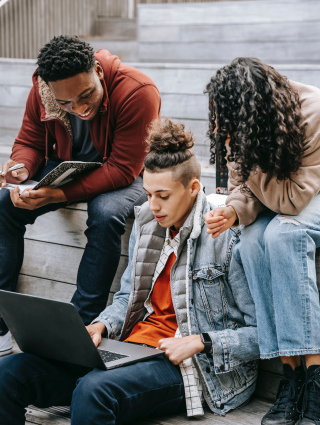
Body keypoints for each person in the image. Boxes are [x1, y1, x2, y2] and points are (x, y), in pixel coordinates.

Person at [0, 119, 259, 425]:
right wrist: (100, 327)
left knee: (93, 391)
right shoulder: (148, 221)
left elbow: (263, 332)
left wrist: (200, 341)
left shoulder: (227, 235)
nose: (154, 206)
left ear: (192, 188)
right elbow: (127, 297)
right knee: (9, 373)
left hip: (194, 366)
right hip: (129, 349)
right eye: (148, 194)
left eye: (163, 196)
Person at [0, 35, 161, 357]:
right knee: (4, 204)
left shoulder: (137, 90)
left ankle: (80, 325)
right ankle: (2, 326)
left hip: (125, 172)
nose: (80, 108)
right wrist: (20, 169)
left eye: (86, 95)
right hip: (68, 165)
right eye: (66, 104)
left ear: (98, 72)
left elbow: (123, 167)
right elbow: (29, 142)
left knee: (105, 213)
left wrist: (57, 194)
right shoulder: (44, 91)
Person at [204, 57, 320, 425]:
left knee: (284, 235)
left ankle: (315, 378)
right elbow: (247, 189)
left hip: (310, 194)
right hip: (284, 195)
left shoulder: (312, 112)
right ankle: (291, 376)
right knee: (251, 243)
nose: (225, 129)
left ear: (254, 114)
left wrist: (248, 159)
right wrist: (235, 211)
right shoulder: (244, 129)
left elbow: (294, 198)